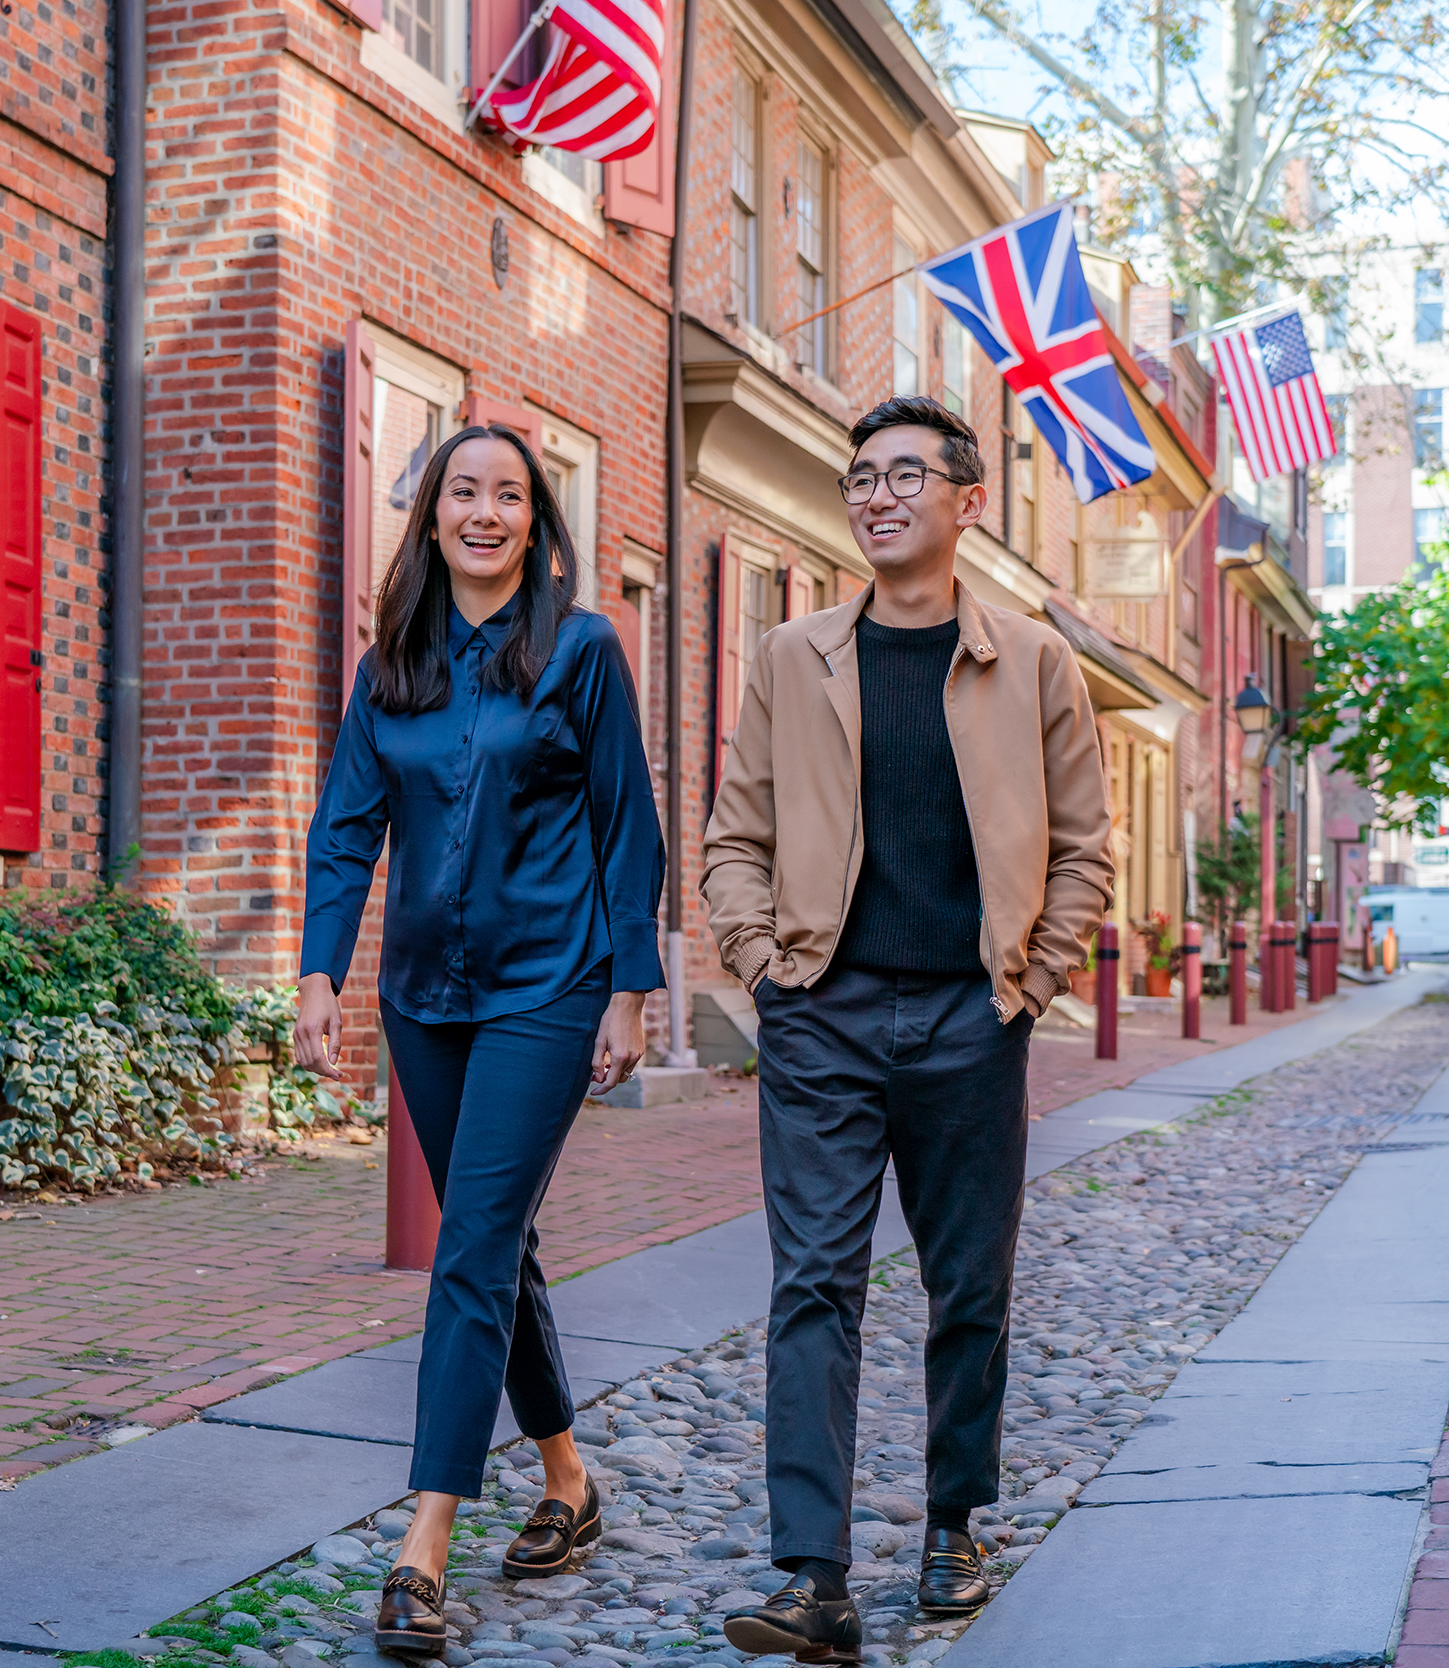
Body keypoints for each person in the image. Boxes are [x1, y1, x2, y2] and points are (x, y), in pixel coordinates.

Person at [702, 395, 1115, 1655]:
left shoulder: (1033, 663)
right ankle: (812, 1578)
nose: (875, 495)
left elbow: (1087, 852)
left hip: (967, 1018)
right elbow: (735, 839)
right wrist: (763, 963)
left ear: (964, 501)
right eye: (860, 477)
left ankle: (952, 1521)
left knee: (966, 1290)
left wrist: (1030, 984)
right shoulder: (791, 656)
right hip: (821, 1015)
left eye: (902, 476)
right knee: (812, 1288)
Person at [293, 424, 665, 1659]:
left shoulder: (581, 648)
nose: (487, 513)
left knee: (469, 1251)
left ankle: (422, 1548)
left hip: (548, 990)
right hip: (424, 1000)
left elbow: (628, 829)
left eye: (510, 494)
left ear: (535, 519)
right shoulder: (390, 662)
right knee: (499, 1254)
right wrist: (317, 974)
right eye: (466, 493)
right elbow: (346, 827)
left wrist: (629, 988)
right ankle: (569, 1481)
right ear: (433, 516)